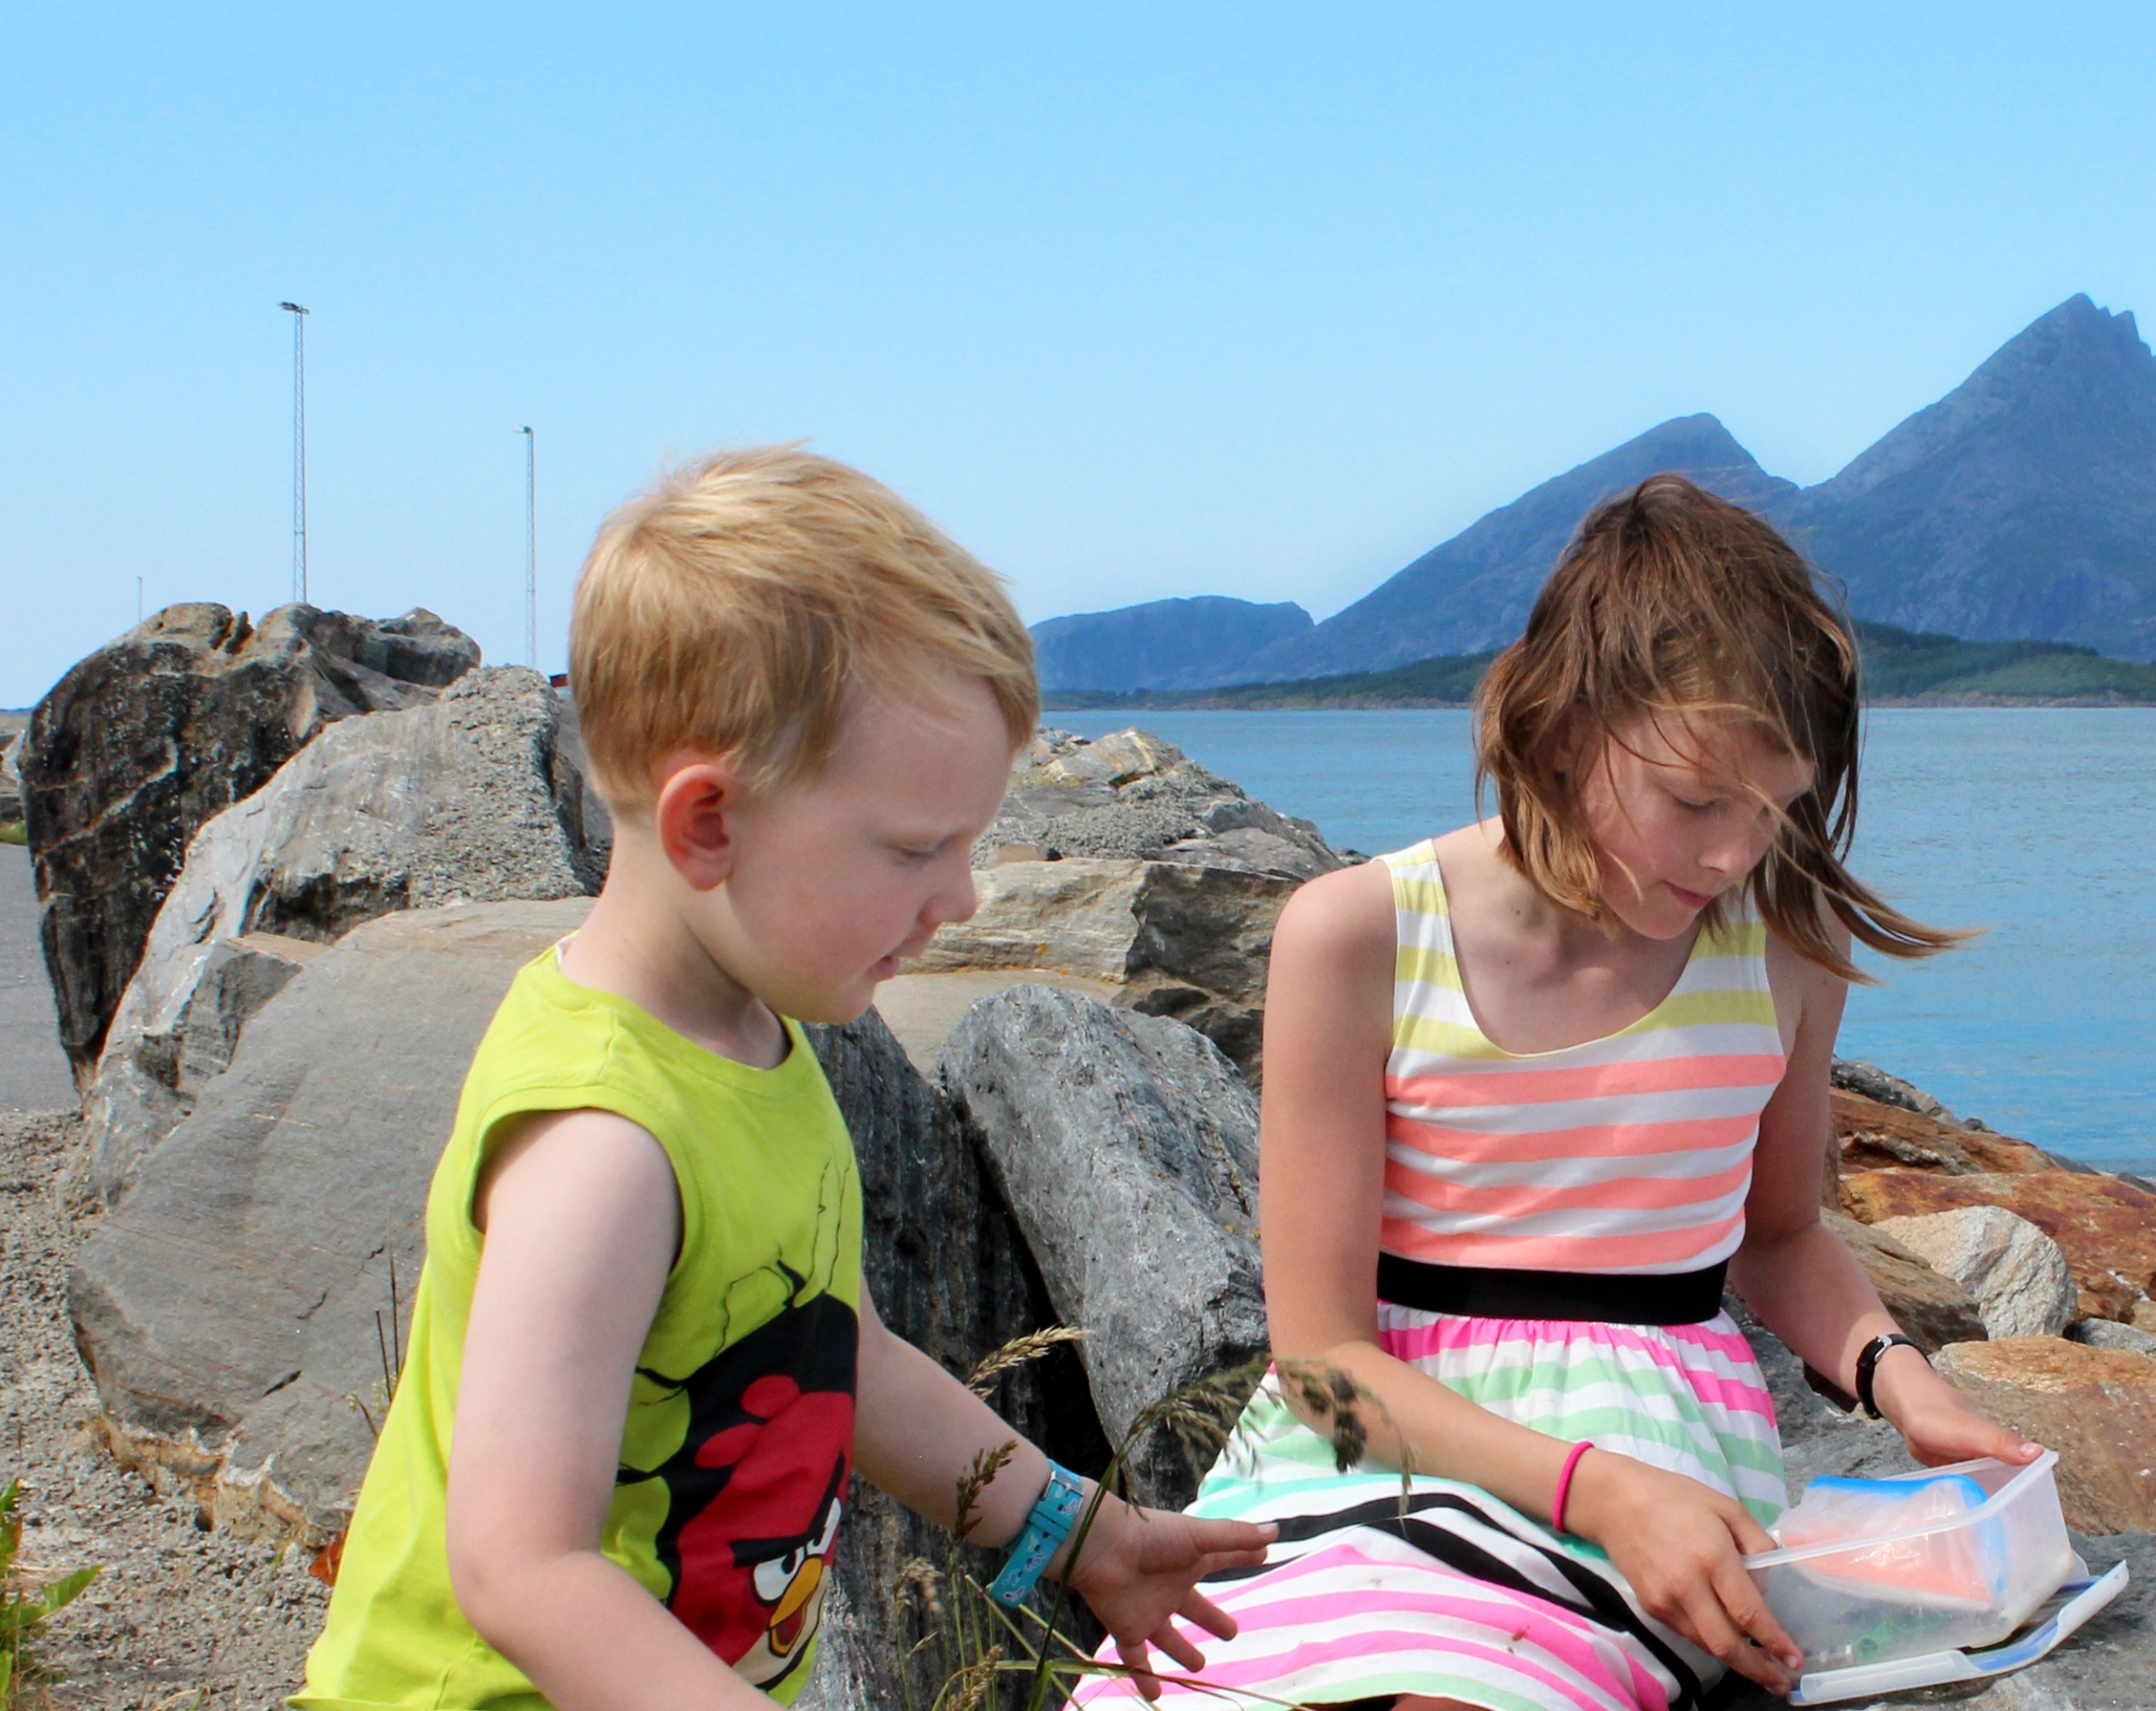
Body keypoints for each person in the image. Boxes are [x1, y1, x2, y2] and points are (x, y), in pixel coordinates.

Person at [297, 447, 1275, 1709]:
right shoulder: (605, 1141)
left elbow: (840, 1361)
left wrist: (1085, 1537)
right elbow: (521, 1568)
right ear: (708, 822)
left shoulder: (754, 1040)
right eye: (918, 847)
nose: (962, 898)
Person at [1076, 474, 2040, 1711]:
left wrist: (1907, 1386)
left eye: (1773, 812)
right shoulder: (1357, 934)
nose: (1733, 855)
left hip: (1655, 1440)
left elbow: (1780, 1235)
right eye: (1695, 801)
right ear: (1563, 724)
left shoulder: (1779, 950)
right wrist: (1595, 1489)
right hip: (1368, 1439)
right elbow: (1319, 1363)